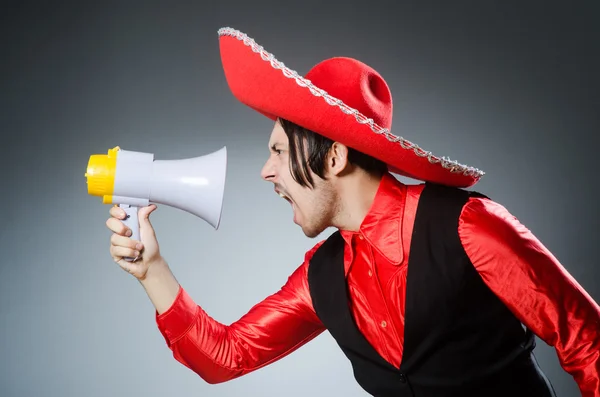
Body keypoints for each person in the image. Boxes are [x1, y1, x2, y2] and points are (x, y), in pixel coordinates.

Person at [105, 27, 600, 397]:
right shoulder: (320, 278)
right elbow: (227, 357)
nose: (265, 171)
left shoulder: (467, 226)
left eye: (278, 152)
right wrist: (151, 269)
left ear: (335, 157)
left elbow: (587, 343)